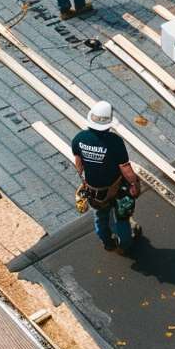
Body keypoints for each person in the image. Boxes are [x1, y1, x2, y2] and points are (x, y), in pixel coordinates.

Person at [71, 101, 142, 254]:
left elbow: (79, 163)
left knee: (100, 218)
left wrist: (84, 182)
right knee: (122, 216)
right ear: (108, 122)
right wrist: (134, 184)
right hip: (116, 188)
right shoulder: (114, 141)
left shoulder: (79, 138)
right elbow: (124, 167)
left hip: (94, 191)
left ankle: (108, 243)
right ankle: (125, 245)